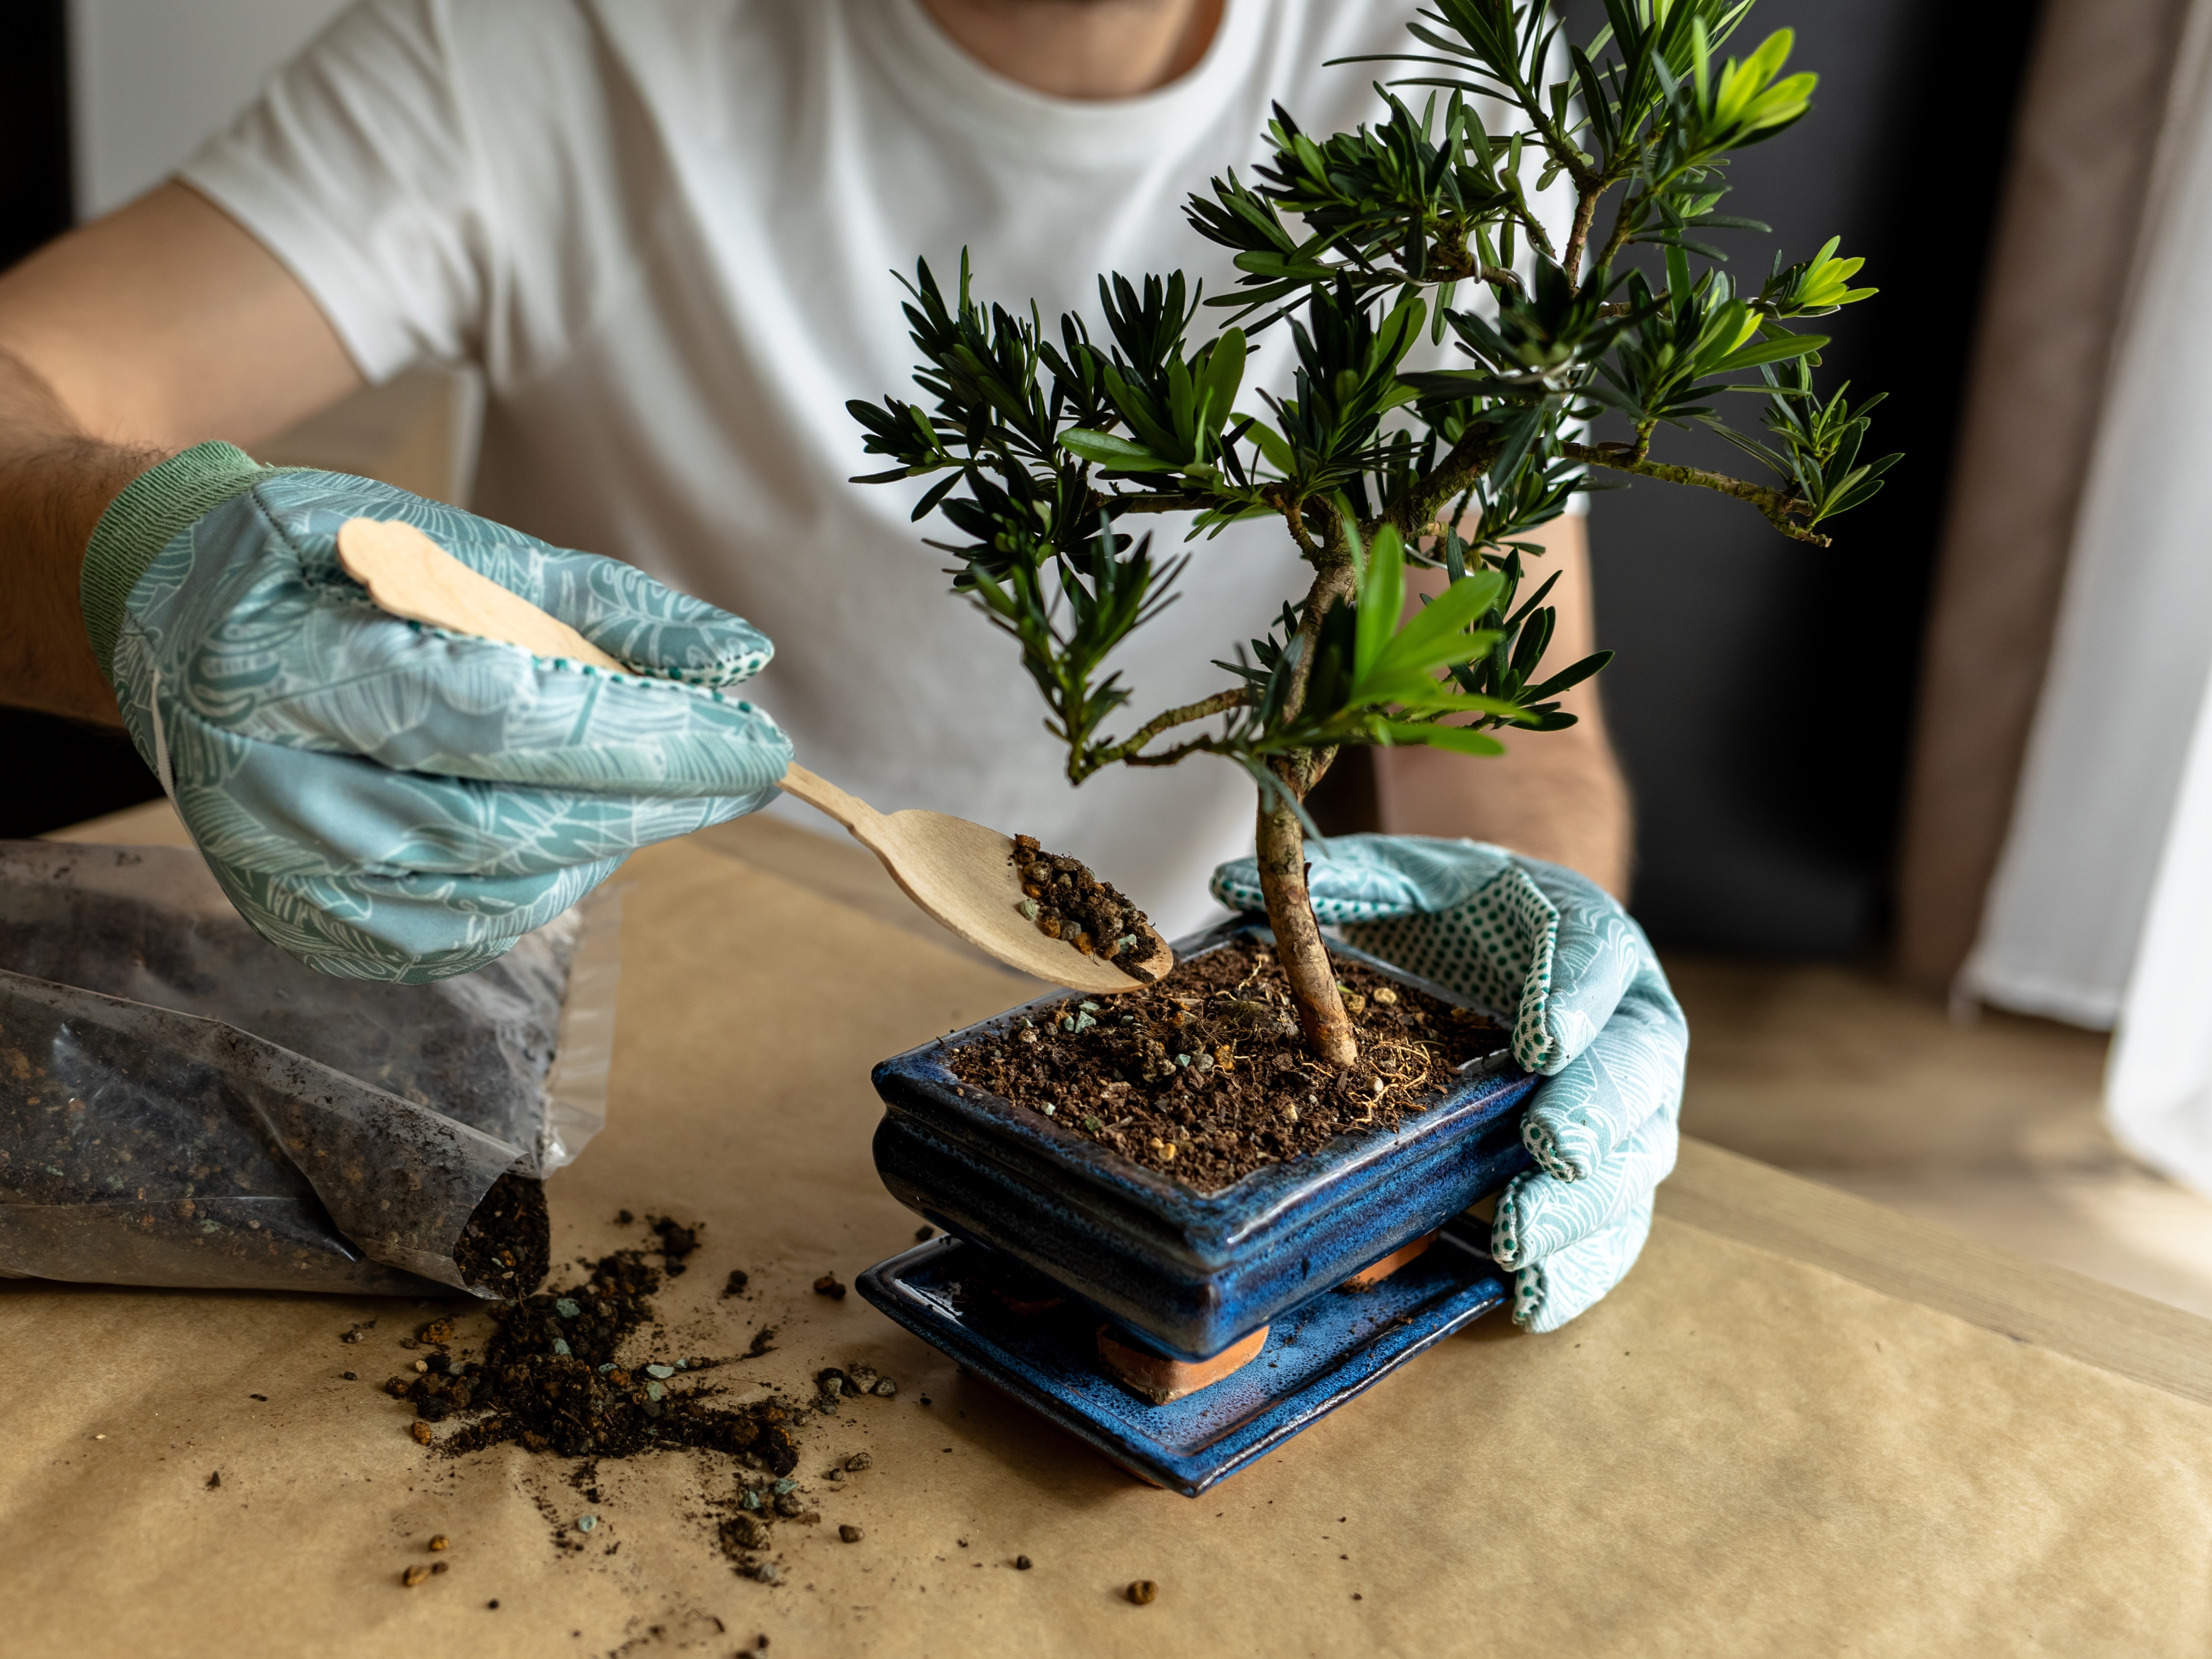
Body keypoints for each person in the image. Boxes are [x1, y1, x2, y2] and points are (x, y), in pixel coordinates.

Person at [0, 0, 1674, 1330]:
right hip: (563, 1080)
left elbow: (1497, 737)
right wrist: (146, 569)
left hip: (1117, 1095)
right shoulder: (545, 42)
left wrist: (1501, 1034)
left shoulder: (1453, 96)